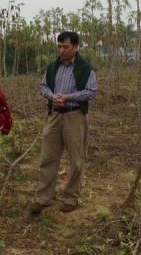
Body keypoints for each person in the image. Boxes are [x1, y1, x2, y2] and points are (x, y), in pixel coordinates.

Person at [30, 31, 98, 215]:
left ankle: (70, 197)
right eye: (59, 46)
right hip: (54, 116)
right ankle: (43, 197)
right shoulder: (53, 67)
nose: (61, 50)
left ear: (76, 47)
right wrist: (53, 97)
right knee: (48, 158)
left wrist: (68, 97)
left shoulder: (85, 68)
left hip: (74, 116)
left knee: (76, 160)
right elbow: (43, 86)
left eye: (65, 47)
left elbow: (91, 91)